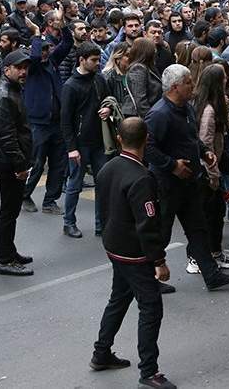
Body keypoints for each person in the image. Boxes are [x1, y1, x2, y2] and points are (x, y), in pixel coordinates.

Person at [90, 117, 177, 389]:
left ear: (119, 139)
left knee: (119, 298)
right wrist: (159, 261)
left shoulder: (108, 167)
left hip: (114, 248)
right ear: (146, 140)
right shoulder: (141, 178)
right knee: (151, 308)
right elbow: (148, 226)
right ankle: (148, 371)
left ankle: (101, 352)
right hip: (135, 255)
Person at [145, 64, 229, 292]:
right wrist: (172, 165)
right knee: (162, 232)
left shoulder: (186, 108)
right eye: (188, 82)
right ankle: (149, 279)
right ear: (175, 87)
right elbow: (147, 147)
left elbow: (191, 139)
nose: (193, 86)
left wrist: (204, 152)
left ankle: (211, 275)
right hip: (167, 185)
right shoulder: (159, 114)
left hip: (189, 183)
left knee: (198, 229)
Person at [0, 49, 35, 276]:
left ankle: (9, 251)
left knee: (11, 211)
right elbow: (7, 137)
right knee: (8, 211)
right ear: (7, 70)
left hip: (10, 160)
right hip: (8, 163)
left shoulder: (12, 90)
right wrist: (20, 166)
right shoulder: (4, 96)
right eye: (19, 68)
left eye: (26, 67)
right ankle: (4, 259)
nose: (24, 71)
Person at [60, 42, 112, 238]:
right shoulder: (70, 86)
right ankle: (69, 222)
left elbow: (109, 99)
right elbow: (65, 121)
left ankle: (101, 224)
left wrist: (108, 108)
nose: (98, 63)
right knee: (75, 184)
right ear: (82, 60)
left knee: (102, 183)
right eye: (94, 60)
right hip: (80, 144)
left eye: (98, 59)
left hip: (99, 142)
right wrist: (71, 148)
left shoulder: (99, 79)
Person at [22, 16, 73, 215]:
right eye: (42, 49)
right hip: (38, 123)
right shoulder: (32, 67)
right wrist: (36, 34)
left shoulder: (52, 61)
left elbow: (67, 43)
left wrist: (64, 27)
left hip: (56, 122)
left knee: (58, 164)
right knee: (36, 162)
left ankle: (50, 200)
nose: (44, 53)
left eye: (47, 49)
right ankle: (25, 195)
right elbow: (34, 57)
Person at [193, 64, 229, 270]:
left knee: (212, 214)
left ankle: (213, 252)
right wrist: (213, 176)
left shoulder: (211, 105)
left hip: (211, 169)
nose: (226, 81)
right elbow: (206, 144)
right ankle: (202, 257)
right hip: (208, 172)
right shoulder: (209, 110)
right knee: (209, 216)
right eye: (223, 79)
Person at [123, 38, 163, 118]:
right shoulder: (138, 69)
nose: (155, 52)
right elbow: (140, 99)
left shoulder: (148, 68)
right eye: (153, 49)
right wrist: (150, 119)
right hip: (137, 117)